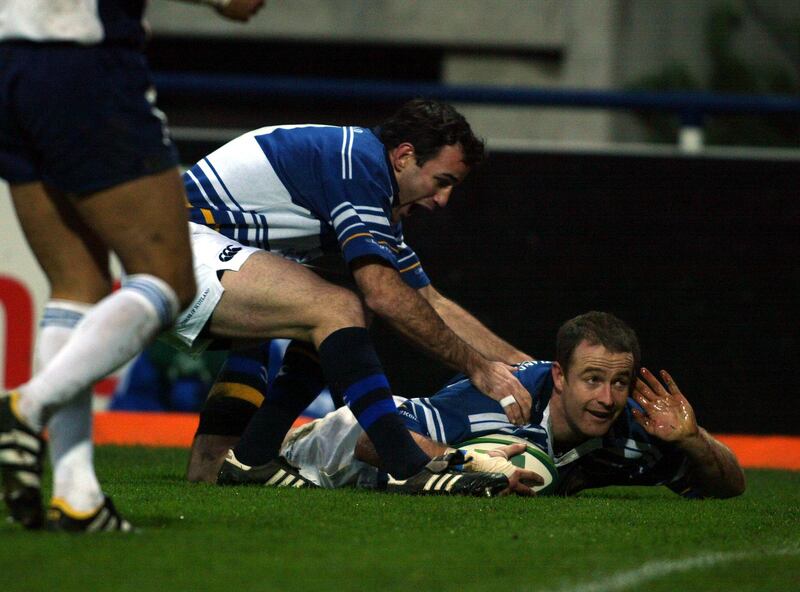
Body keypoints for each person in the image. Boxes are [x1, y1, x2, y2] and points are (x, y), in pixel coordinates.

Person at [163, 99, 535, 492]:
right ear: (404, 157)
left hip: (198, 252)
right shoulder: (359, 166)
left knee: (336, 302)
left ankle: (247, 457)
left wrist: (525, 366)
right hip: (176, 248)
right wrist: (478, 368)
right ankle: (406, 466)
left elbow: (429, 300)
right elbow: (384, 295)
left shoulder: (366, 175)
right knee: (340, 305)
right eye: (442, 181)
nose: (442, 199)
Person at [0, 0, 264, 532]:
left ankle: (78, 496)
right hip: (85, 62)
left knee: (77, 285)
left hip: (9, 64)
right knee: (169, 277)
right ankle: (27, 406)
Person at [193, 312, 746, 499]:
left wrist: (694, 441)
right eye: (593, 380)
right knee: (210, 470)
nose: (607, 398)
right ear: (559, 376)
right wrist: (472, 464)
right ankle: (251, 342)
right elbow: (371, 443)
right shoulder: (499, 397)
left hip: (380, 456)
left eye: (619, 383)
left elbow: (730, 488)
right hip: (338, 446)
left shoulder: (633, 428)